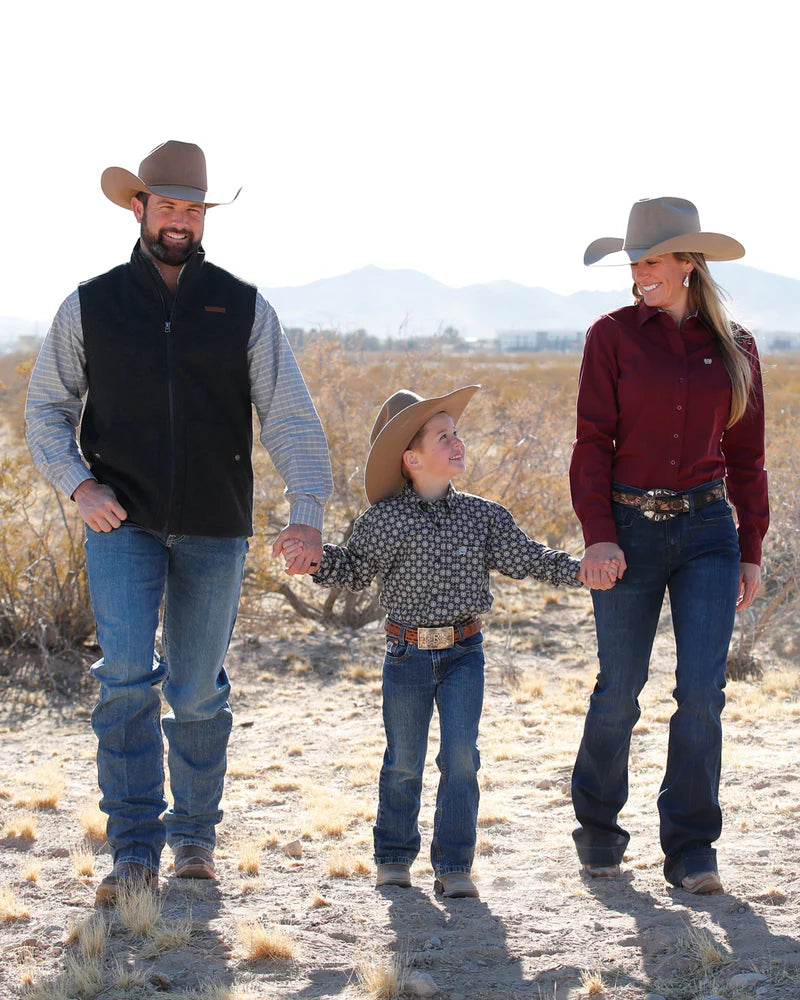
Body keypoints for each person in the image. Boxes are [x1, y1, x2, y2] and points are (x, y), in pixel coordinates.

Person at [25, 140, 332, 904]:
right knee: (126, 680)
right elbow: (45, 411)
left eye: (192, 209)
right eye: (167, 206)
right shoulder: (89, 304)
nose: (180, 221)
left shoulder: (243, 304)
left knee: (196, 691)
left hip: (214, 526)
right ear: (139, 209)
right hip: (119, 527)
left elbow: (289, 415)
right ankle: (134, 848)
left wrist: (308, 513)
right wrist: (79, 486)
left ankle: (194, 837)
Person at [283, 385, 609, 898]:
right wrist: (316, 559)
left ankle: (454, 865)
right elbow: (352, 568)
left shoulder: (483, 516)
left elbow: (527, 559)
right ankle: (394, 855)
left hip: (464, 654)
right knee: (404, 761)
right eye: (443, 437)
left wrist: (580, 570)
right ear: (411, 458)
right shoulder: (384, 521)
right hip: (406, 655)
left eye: (456, 434)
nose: (457, 442)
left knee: (461, 758)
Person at [570, 196, 769, 894]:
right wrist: (598, 536)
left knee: (702, 693)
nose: (639, 273)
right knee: (620, 691)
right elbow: (591, 444)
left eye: (651, 260)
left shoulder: (736, 347)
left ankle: (691, 849)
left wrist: (751, 547)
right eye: (634, 262)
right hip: (627, 532)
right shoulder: (612, 337)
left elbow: (748, 460)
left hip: (710, 533)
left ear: (688, 262)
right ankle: (597, 830)